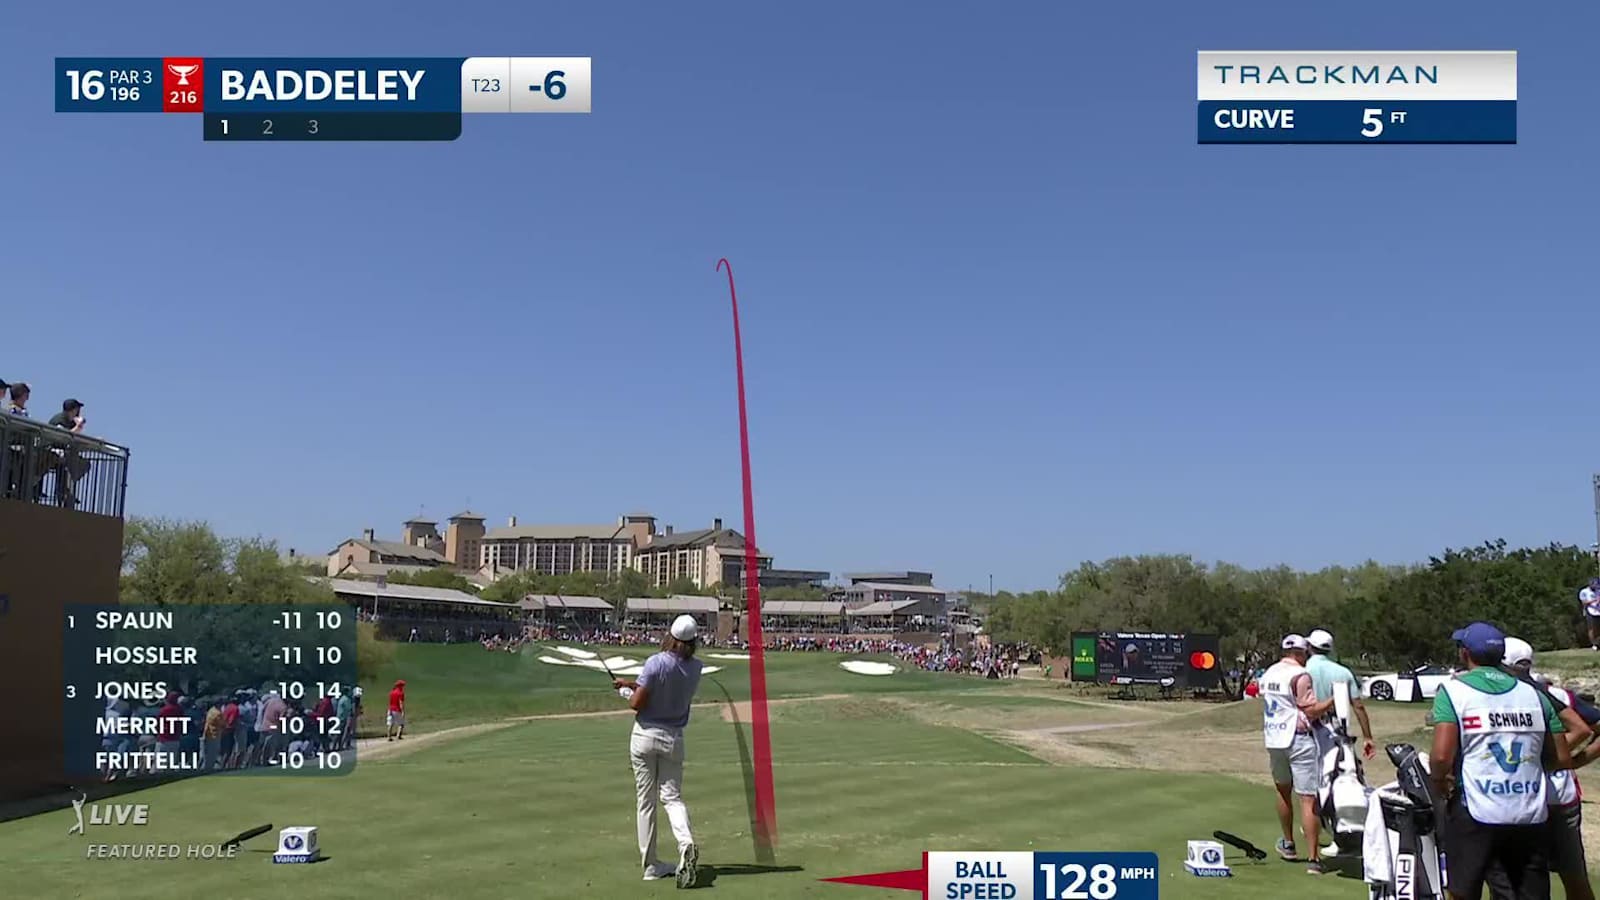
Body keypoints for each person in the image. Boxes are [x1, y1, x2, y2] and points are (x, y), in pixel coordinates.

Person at [1431, 622, 1575, 900]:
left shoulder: (1453, 691)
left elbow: (1440, 756)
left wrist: (1440, 781)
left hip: (1475, 807)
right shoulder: (1534, 694)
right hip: (1529, 811)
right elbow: (1561, 757)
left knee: (1463, 891)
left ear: (1465, 654)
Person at [1504, 637, 1600, 900]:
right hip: (1559, 799)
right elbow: (1591, 726)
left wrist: (1562, 759)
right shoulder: (1559, 694)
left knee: (1524, 881)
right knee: (1574, 879)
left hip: (1525, 801)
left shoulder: (1508, 696)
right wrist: (1572, 760)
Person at [611, 614, 703, 887]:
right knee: (672, 798)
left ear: (670, 636)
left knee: (646, 801)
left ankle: (651, 865)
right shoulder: (695, 667)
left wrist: (627, 693)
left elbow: (637, 704)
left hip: (645, 736)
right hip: (673, 737)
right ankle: (685, 843)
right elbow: (661, 687)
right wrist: (632, 684)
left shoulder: (655, 662)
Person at [1260, 633, 1337, 874]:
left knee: (1283, 791)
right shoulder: (1300, 676)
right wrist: (1334, 699)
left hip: (1274, 738)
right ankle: (1314, 859)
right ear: (1303, 652)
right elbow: (1311, 709)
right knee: (1307, 799)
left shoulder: (1269, 672)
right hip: (1298, 738)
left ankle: (1289, 844)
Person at [1581, 580, 1600, 651]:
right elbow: (1584, 602)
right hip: (1590, 611)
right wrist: (1594, 600)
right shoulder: (1584, 591)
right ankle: (1594, 644)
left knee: (1598, 629)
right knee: (1591, 629)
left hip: (1598, 611)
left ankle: (1598, 643)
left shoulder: (1598, 591)